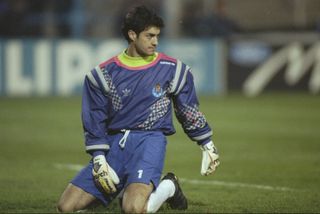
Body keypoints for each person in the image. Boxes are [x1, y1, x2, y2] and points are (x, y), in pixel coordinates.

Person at [57, 5, 220, 213]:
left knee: (133, 209)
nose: (155, 41)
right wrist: (98, 159)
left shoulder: (173, 70)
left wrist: (206, 143)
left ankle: (169, 187)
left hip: (149, 142)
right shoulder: (102, 75)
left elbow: (188, 111)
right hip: (114, 145)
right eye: (149, 36)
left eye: (157, 36)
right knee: (66, 207)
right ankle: (125, 190)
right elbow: (94, 119)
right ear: (132, 35)